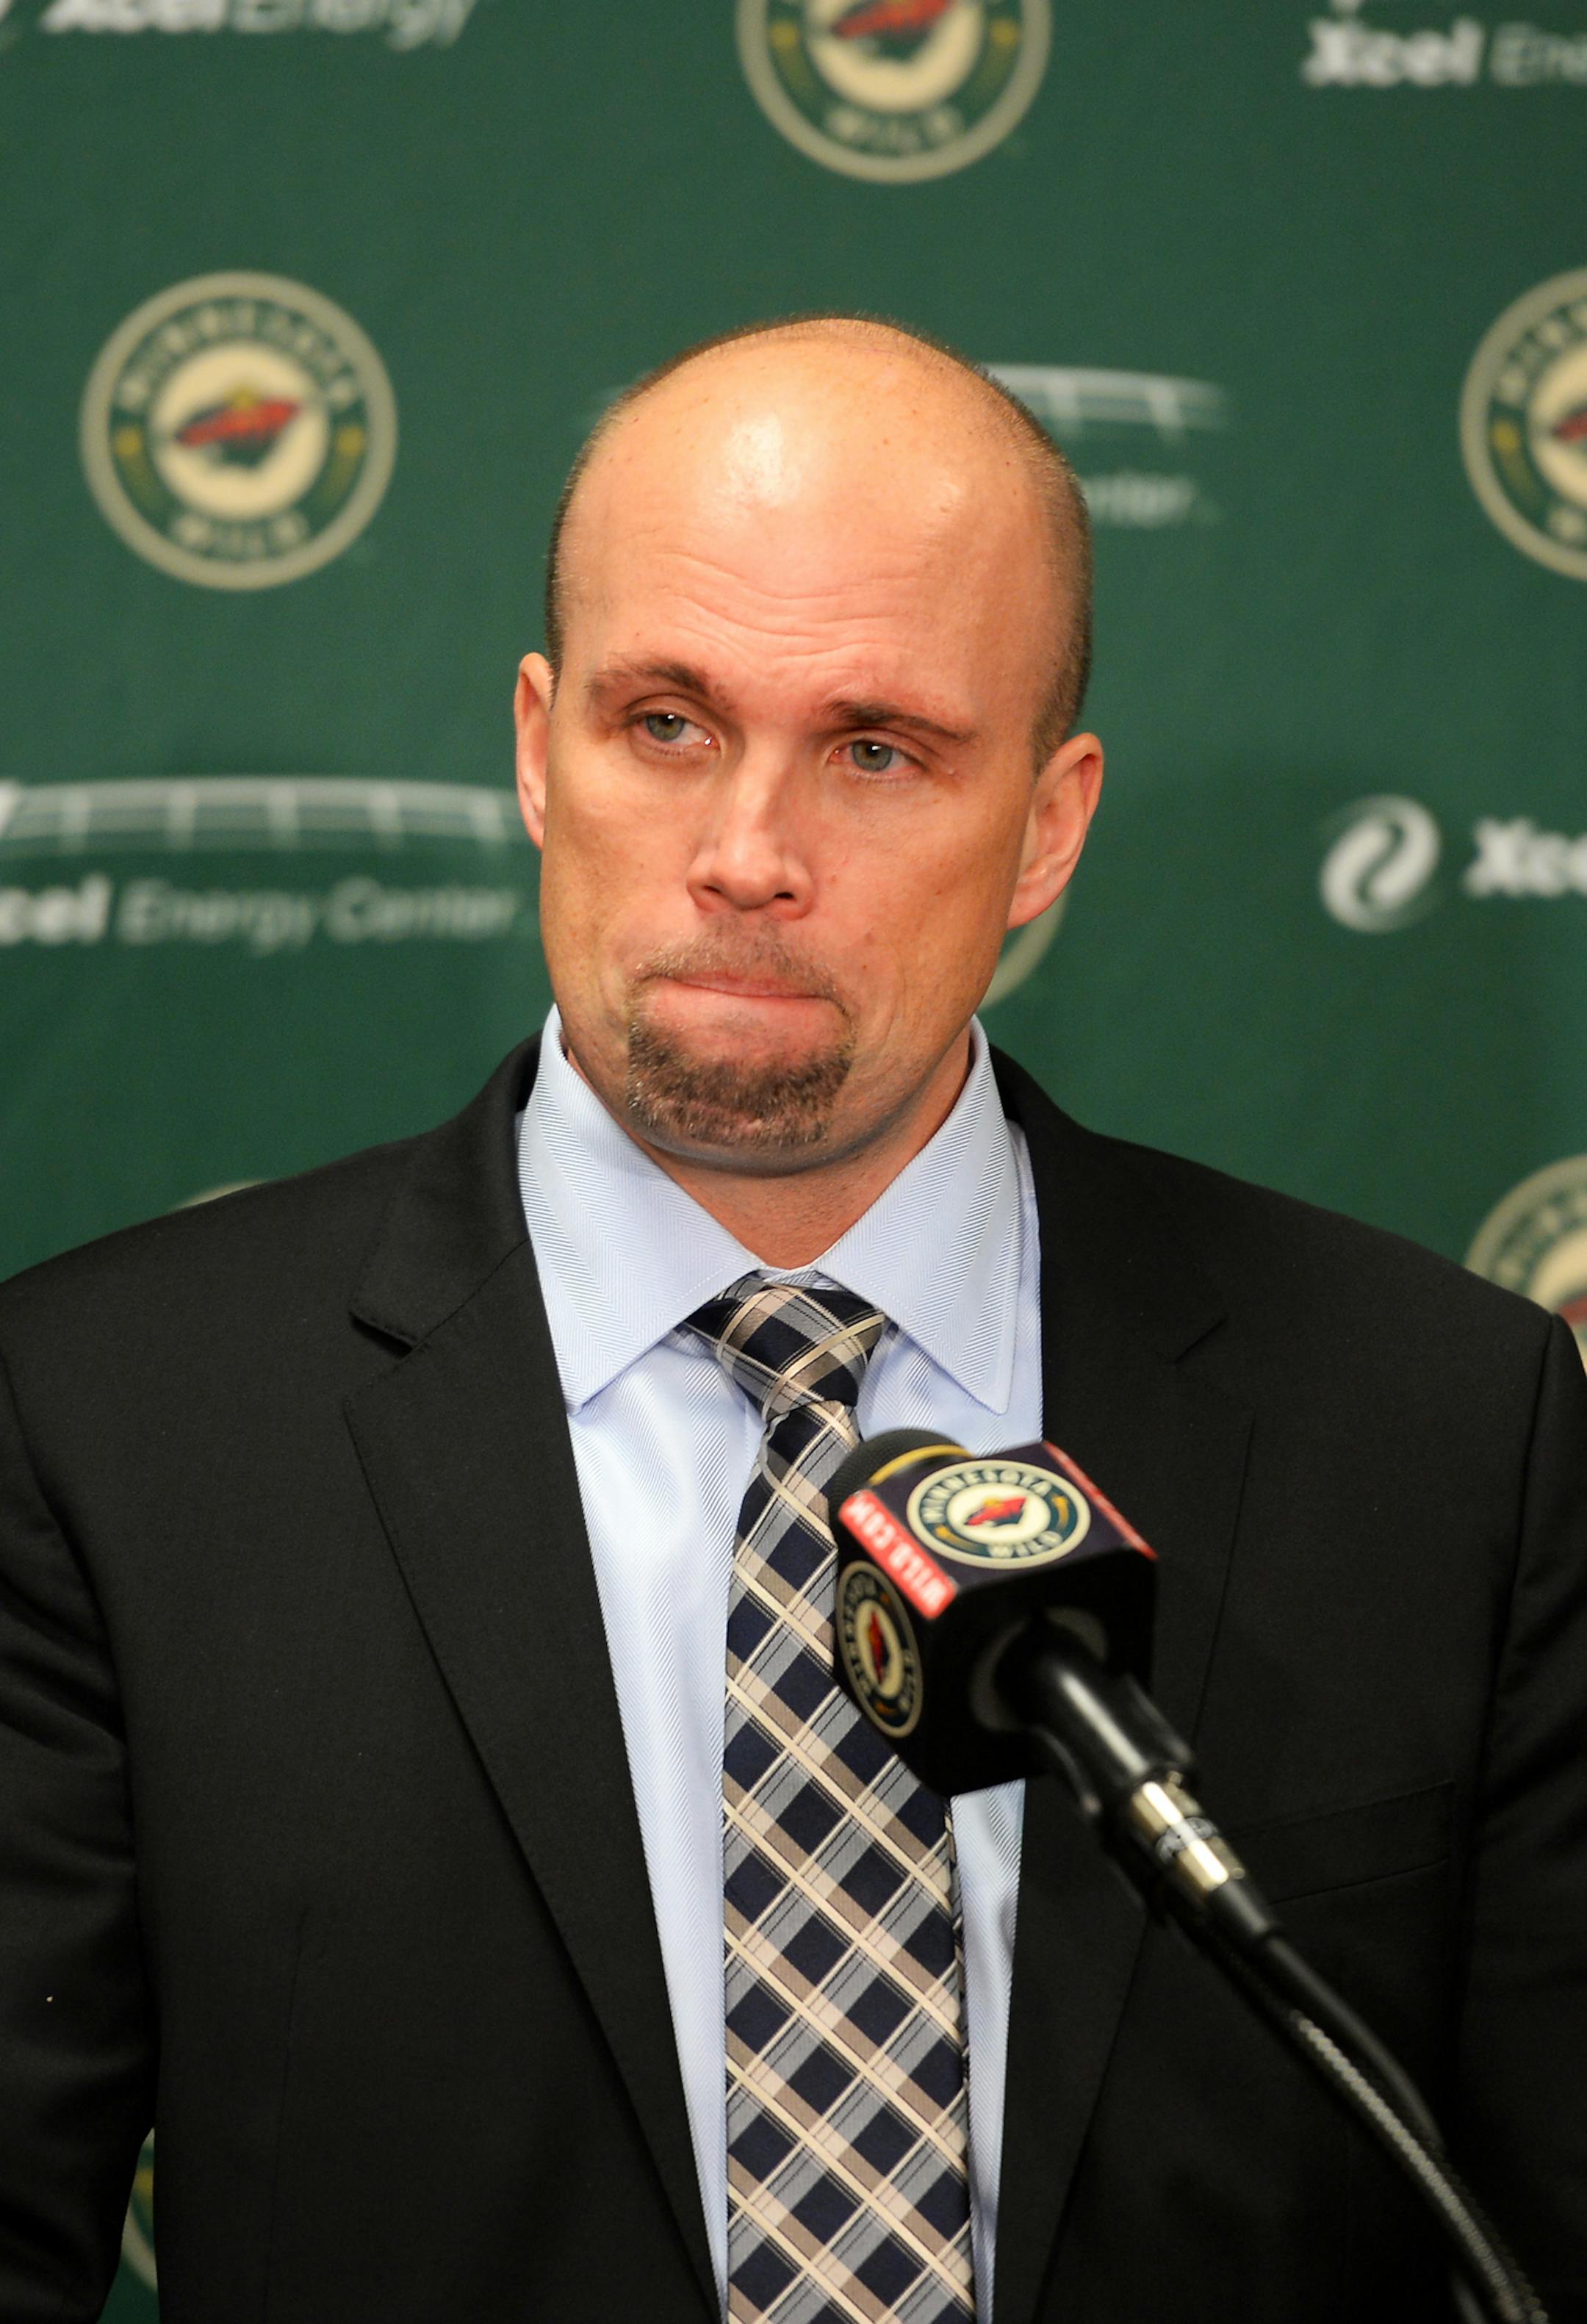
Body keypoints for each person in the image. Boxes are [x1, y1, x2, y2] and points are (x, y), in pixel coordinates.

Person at [1, 315, 1583, 2324]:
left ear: (1051, 824)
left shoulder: (1442, 1432)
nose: (748, 854)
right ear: (532, 745)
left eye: (876, 749)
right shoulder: (111, 1431)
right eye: (665, 722)